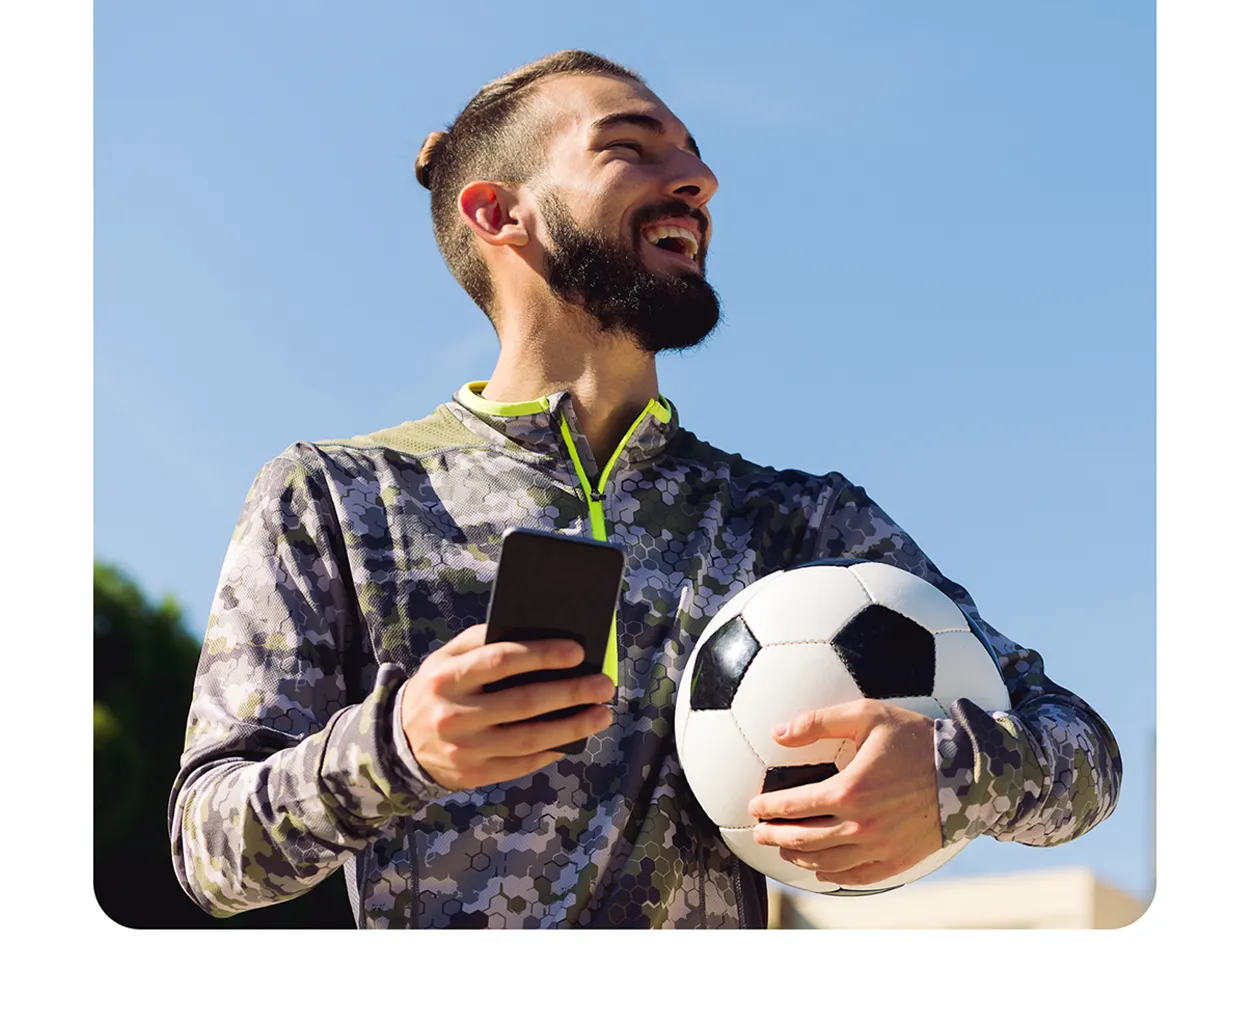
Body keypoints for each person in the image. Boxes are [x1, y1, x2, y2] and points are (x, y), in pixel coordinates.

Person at [170, 49, 1121, 928]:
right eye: (629, 147)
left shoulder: (799, 524)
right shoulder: (336, 498)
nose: (700, 180)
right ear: (499, 214)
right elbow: (209, 852)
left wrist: (954, 774)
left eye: (695, 155)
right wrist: (398, 747)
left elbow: (1083, 749)